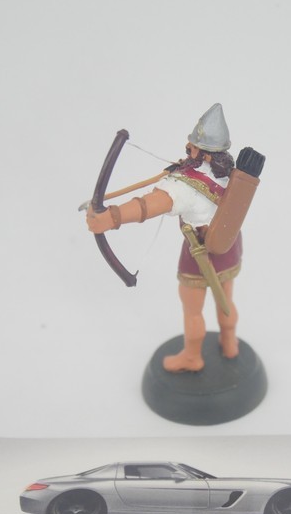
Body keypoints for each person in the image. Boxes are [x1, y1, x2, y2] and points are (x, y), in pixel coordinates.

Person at [87, 104, 241, 373]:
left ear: (205, 154)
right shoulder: (233, 175)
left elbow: (151, 205)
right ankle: (230, 343)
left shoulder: (184, 186)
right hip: (229, 246)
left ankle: (192, 358)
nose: (188, 149)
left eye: (193, 148)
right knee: (226, 298)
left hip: (199, 252)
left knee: (193, 309)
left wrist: (111, 218)